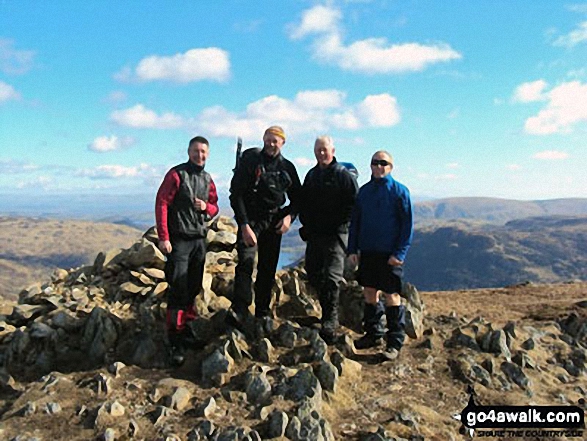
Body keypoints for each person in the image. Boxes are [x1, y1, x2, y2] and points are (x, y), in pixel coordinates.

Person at [229, 126, 301, 329]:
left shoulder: (288, 167)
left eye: (275, 140)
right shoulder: (251, 160)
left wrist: (289, 218)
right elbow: (236, 194)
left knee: (267, 269)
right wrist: (243, 224)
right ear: (263, 139)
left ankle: (262, 312)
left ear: (283, 143)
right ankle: (240, 311)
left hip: (274, 222)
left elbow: (298, 198)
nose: (271, 144)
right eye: (268, 139)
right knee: (245, 263)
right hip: (250, 221)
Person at [155, 136, 219, 366]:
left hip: (199, 241)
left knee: (192, 286)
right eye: (195, 151)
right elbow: (162, 202)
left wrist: (207, 207)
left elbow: (215, 207)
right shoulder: (176, 174)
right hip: (179, 240)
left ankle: (187, 329)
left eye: (203, 152)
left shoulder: (207, 179)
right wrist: (164, 237)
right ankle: (174, 339)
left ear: (208, 154)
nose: (199, 155)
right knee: (178, 287)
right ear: (188, 151)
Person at [348, 150, 413, 360]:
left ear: (391, 166)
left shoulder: (400, 192)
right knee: (369, 291)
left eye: (383, 163)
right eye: (375, 163)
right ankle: (373, 333)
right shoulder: (364, 192)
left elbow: (407, 226)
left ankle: (394, 341)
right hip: (368, 251)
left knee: (392, 295)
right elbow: (355, 223)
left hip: (389, 254)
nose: (378, 166)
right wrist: (352, 249)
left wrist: (400, 253)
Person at [299, 136, 358, 344]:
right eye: (318, 150)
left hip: (336, 234)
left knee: (332, 277)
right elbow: (304, 201)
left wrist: (343, 225)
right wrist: (305, 225)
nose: (321, 153)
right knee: (313, 273)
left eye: (324, 149)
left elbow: (354, 204)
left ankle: (330, 320)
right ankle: (326, 312)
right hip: (315, 234)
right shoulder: (312, 175)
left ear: (332, 150)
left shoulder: (343, 175)